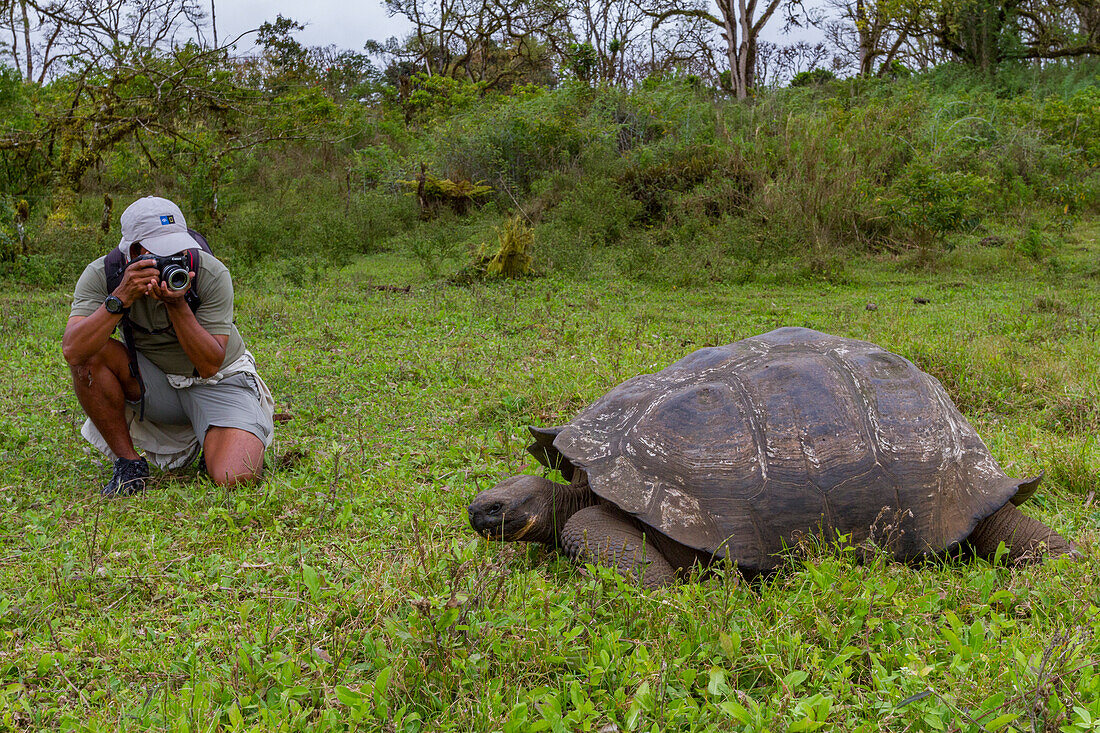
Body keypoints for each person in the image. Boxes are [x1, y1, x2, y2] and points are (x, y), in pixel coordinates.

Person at [62, 196, 274, 495]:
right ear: (133, 251)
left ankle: (223, 435)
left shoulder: (210, 273)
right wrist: (120, 298)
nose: (174, 258)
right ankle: (129, 464)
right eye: (161, 252)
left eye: (178, 248)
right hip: (157, 383)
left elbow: (210, 364)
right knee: (89, 354)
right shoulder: (103, 275)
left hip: (219, 381)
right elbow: (73, 350)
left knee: (234, 476)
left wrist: (178, 306)